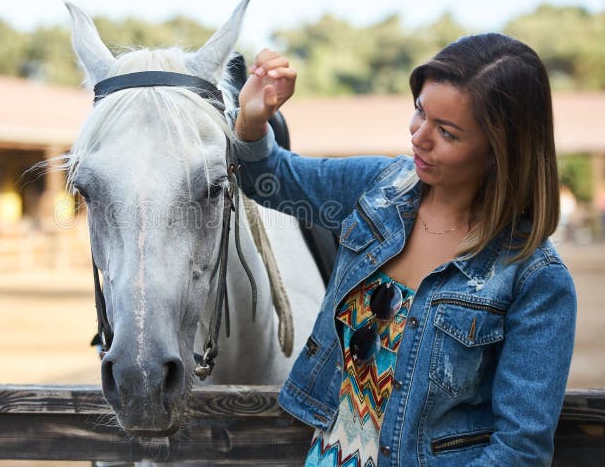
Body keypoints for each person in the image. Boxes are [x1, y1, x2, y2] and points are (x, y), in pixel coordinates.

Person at [231, 33, 576, 466]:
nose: (419, 136)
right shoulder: (378, 188)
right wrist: (253, 119)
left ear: (500, 152)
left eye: (446, 132)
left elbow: (519, 451)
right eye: (419, 112)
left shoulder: (535, 279)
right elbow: (270, 178)